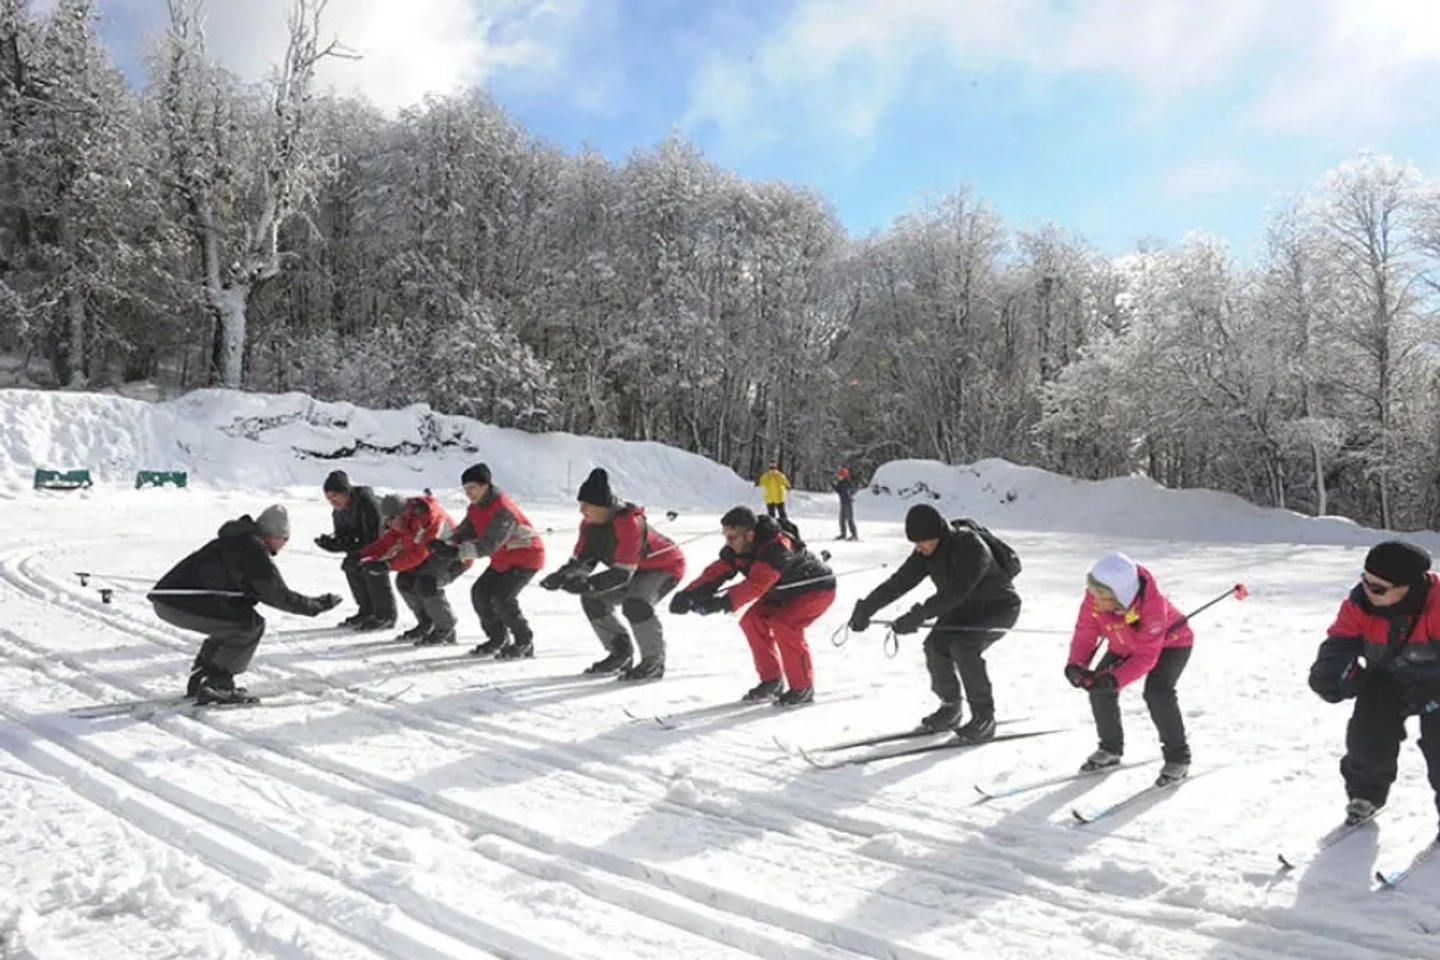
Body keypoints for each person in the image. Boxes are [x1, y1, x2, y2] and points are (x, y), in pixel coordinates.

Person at [847, 504, 1021, 742]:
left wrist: (919, 614)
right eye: (915, 544)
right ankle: (950, 707)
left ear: (937, 534)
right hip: (963, 609)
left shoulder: (971, 546)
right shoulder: (925, 552)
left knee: (964, 647)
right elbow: (899, 582)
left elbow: (957, 591)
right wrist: (866, 607)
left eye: (923, 542)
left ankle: (984, 718)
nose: (919, 548)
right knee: (935, 645)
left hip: (997, 608)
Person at [149, 504, 342, 703]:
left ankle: (202, 677)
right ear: (273, 535)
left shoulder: (238, 542)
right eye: (284, 539)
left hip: (170, 599)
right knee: (249, 626)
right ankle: (217, 684)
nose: (284, 544)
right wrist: (317, 605)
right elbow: (277, 595)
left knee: (234, 621)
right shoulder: (252, 549)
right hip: (179, 602)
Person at [1309, 540, 1440, 830]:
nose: (1368, 590)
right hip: (1389, 676)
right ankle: (1365, 795)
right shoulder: (1359, 603)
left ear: (1409, 586)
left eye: (1378, 587)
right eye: (1365, 581)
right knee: (1367, 732)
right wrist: (1327, 672)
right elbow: (1340, 641)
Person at [670, 506, 835, 705]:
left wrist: (720, 603)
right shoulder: (737, 549)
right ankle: (771, 681)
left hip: (815, 590)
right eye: (725, 536)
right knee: (751, 621)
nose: (728, 542)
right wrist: (688, 594)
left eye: (732, 537)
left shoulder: (777, 547)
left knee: (784, 625)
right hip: (781, 592)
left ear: (749, 534)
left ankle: (802, 688)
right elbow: (716, 572)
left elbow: (755, 585)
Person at [539, 468, 685, 679]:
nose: (581, 510)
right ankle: (621, 653)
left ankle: (654, 662)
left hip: (664, 567)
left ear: (603, 505)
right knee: (592, 599)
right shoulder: (589, 525)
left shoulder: (629, 524)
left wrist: (587, 584)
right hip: (633, 569)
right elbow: (582, 561)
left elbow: (621, 574)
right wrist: (562, 577)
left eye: (585, 505)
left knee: (636, 604)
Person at [1065, 552, 1194, 786]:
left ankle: (1178, 758)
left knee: (1158, 692)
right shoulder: (1095, 595)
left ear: (1120, 594)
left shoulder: (1153, 607)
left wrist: (1115, 679)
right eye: (1092, 591)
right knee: (1098, 689)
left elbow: (1146, 656)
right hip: (1124, 642)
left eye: (1101, 595)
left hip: (1171, 644)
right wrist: (1076, 664)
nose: (1094, 599)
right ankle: (1110, 748)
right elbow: (1086, 630)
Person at [428, 463, 545, 660]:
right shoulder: (475, 508)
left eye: (472, 487)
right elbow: (465, 531)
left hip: (526, 556)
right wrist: (445, 543)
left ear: (486, 486)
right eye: (465, 489)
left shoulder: (503, 510)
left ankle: (524, 641)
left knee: (503, 599)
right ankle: (498, 638)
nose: (469, 493)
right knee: (480, 593)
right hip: (503, 558)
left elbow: (487, 545)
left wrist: (454, 552)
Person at [359, 493, 471, 645]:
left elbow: (419, 554)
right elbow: (387, 542)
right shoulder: (401, 520)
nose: (391, 525)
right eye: (387, 522)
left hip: (455, 556)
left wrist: (387, 565)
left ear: (403, 513)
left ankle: (445, 628)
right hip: (432, 556)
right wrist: (360, 556)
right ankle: (426, 623)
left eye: (392, 520)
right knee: (405, 581)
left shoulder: (427, 517)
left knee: (427, 583)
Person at [313, 470, 395, 630]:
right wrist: (330, 544)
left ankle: (386, 615)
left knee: (371, 565)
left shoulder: (367, 502)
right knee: (350, 566)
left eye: (334, 496)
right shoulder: (338, 512)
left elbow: (375, 539)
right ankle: (367, 610)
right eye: (328, 498)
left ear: (345, 492)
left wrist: (358, 555)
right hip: (368, 543)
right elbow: (346, 540)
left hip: (391, 539)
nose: (332, 501)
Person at [833, 467, 858, 541]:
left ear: (844, 476)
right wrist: (834, 485)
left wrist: (837, 486)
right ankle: (843, 534)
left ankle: (854, 535)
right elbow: (839, 491)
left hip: (848, 503)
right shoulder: (841, 483)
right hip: (843, 503)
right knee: (841, 520)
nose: (839, 477)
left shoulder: (847, 483)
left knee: (849, 519)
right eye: (839, 476)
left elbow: (845, 492)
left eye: (840, 476)